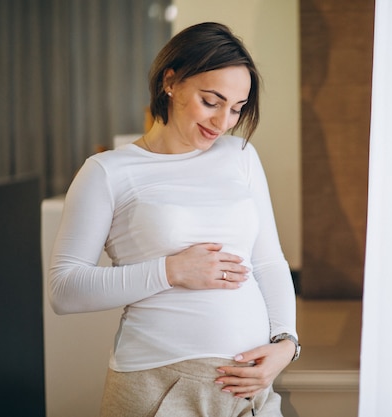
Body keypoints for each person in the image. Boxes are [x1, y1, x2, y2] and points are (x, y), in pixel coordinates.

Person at [49, 22, 299, 417]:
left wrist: (286, 344)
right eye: (211, 101)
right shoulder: (108, 171)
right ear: (171, 81)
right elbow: (65, 290)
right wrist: (171, 271)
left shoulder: (240, 156)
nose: (223, 123)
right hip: (158, 385)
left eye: (236, 108)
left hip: (251, 387)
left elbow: (267, 262)